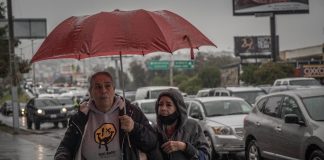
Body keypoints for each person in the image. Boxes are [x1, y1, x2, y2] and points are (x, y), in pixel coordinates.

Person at [54, 71, 157, 160]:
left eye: (107, 86)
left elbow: (152, 141)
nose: (103, 91)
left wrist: (134, 128)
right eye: (98, 87)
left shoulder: (131, 112)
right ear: (91, 92)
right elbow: (66, 146)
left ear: (114, 89)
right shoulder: (80, 117)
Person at [149, 89, 210, 160]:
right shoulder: (154, 130)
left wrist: (184, 147)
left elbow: (205, 156)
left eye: (168, 105)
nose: (163, 108)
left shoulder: (193, 127)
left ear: (178, 108)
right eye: (160, 104)